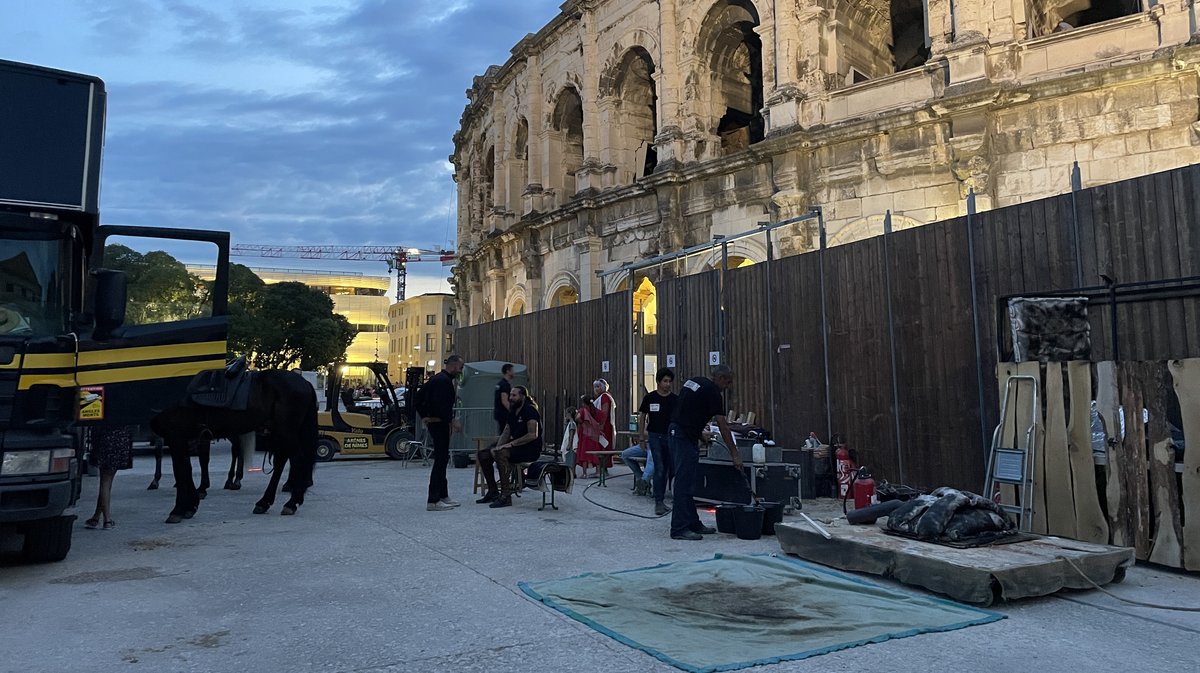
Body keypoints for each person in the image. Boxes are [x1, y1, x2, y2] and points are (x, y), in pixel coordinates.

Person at [668, 365, 740, 541]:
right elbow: (723, 426)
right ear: (720, 378)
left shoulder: (696, 381)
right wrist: (735, 454)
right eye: (728, 382)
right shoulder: (713, 393)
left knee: (689, 482)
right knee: (683, 483)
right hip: (682, 437)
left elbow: (687, 410)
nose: (728, 386)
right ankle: (678, 528)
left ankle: (693, 522)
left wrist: (700, 434)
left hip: (679, 432)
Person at [476, 386, 543, 508]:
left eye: (514, 395)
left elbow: (532, 434)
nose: (511, 398)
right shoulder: (513, 411)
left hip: (530, 449)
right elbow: (507, 431)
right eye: (510, 395)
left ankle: (506, 496)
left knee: (502, 453)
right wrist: (498, 446)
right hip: (517, 446)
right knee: (484, 454)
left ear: (522, 396)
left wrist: (508, 445)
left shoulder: (530, 410)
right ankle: (493, 492)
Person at [422, 355, 465, 511]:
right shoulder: (442, 381)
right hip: (438, 424)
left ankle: (442, 495)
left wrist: (425, 416)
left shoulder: (440, 379)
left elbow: (421, 397)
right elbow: (441, 405)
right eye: (460, 367)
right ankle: (433, 500)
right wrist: (450, 420)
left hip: (438, 422)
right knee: (440, 460)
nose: (460, 371)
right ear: (453, 366)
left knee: (442, 458)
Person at [638, 368, 678, 515]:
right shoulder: (650, 398)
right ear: (658, 382)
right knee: (659, 467)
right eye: (665, 381)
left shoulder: (675, 399)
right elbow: (642, 416)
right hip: (654, 436)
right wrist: (642, 436)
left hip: (670, 437)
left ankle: (669, 498)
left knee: (669, 468)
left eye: (669, 381)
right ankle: (658, 502)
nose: (667, 384)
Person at [85, 425, 134, 530]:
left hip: (104, 437)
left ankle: (98, 517)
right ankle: (105, 519)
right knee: (107, 482)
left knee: (105, 482)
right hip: (120, 438)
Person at [576, 378, 615, 478]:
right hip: (600, 425)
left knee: (602, 447)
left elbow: (604, 413)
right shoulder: (602, 397)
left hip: (604, 426)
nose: (596, 389)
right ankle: (601, 469)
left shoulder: (605, 397)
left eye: (598, 386)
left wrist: (600, 427)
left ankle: (602, 469)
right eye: (595, 387)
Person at [493, 363, 515, 433]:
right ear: (508, 371)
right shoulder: (505, 385)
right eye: (512, 370)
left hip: (499, 413)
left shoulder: (499, 384)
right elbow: (504, 401)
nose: (514, 372)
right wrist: (512, 412)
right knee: (505, 433)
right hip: (504, 414)